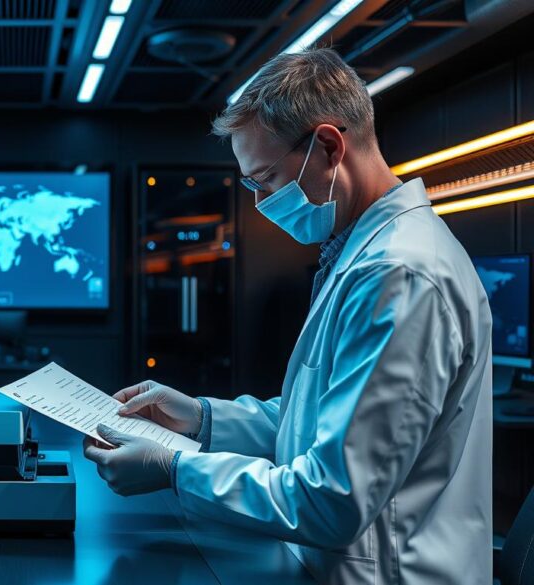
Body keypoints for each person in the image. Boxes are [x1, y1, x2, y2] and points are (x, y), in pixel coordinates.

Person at [83, 47, 492, 585]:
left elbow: (333, 499)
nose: (261, 203)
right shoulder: (366, 256)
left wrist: (174, 468)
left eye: (266, 180)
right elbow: (322, 420)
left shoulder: (400, 274)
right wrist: (202, 419)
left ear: (327, 146)